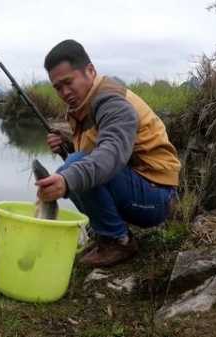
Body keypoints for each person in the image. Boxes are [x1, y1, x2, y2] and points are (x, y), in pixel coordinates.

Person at [35, 39, 181, 267]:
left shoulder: (113, 102)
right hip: (136, 188)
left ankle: (118, 241)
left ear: (90, 71)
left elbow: (110, 156)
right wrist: (68, 147)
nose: (64, 92)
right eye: (57, 87)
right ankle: (107, 233)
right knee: (73, 165)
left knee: (73, 170)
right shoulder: (84, 106)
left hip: (157, 197)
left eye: (68, 82)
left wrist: (67, 177)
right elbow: (94, 155)